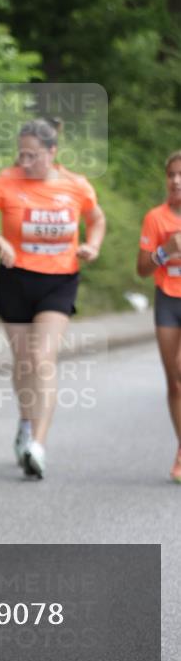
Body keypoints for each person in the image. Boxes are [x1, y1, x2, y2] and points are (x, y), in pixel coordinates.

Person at [0, 118, 106, 479]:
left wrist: (92, 245)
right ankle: (25, 424)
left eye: (33, 155)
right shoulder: (6, 182)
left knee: (42, 358)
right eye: (21, 154)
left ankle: (38, 444)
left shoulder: (76, 185)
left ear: (52, 152)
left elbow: (96, 219)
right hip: (15, 281)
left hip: (59, 281)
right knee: (24, 363)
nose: (25, 162)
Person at [137, 150, 181, 483]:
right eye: (171, 175)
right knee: (175, 381)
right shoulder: (156, 218)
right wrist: (167, 250)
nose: (176, 181)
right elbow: (142, 269)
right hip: (167, 299)